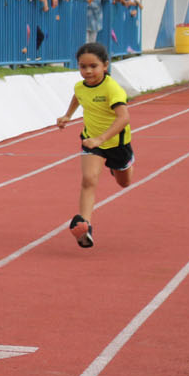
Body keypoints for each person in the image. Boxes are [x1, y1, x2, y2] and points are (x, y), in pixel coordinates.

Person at [55, 41, 134, 249]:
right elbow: (78, 96)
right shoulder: (80, 86)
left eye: (93, 66)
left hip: (117, 143)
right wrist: (67, 115)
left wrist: (102, 139)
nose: (88, 71)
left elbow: (124, 118)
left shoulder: (112, 89)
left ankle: (120, 166)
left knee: (124, 183)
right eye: (83, 67)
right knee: (88, 180)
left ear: (105, 65)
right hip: (91, 140)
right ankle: (85, 225)